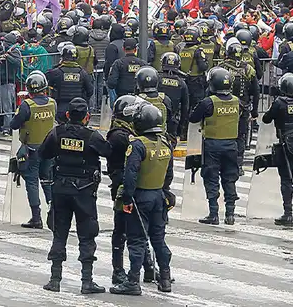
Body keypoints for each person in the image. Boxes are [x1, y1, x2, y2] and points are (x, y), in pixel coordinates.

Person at [39, 97, 110, 294]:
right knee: (87, 235)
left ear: (68, 115)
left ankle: (55, 280)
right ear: (87, 117)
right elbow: (109, 152)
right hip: (85, 191)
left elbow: (43, 153)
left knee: (59, 233)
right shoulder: (92, 136)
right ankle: (87, 281)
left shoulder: (56, 133)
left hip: (61, 189)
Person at [111, 102, 174, 296]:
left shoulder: (137, 145)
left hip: (140, 197)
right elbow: (169, 175)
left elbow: (130, 175)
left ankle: (132, 281)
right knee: (158, 239)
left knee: (137, 240)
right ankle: (164, 278)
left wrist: (127, 198)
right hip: (158, 196)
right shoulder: (166, 143)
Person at [189, 66, 241, 225]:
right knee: (230, 177)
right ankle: (230, 214)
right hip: (231, 145)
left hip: (212, 145)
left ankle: (213, 214)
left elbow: (193, 118)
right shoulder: (237, 101)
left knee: (211, 177)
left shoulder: (208, 102)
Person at [10, 70, 55, 229]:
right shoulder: (52, 103)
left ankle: (36, 218)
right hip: (49, 148)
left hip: (32, 149)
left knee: (32, 181)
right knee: (47, 180)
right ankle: (53, 211)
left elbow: (14, 125)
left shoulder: (26, 106)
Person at [217, 40, 259, 166]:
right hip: (243, 107)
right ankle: (238, 163)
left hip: (223, 105)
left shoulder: (221, 67)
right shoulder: (249, 69)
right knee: (241, 135)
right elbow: (256, 91)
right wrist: (255, 110)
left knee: (222, 134)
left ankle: (223, 162)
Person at [262, 73, 293, 226]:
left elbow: (266, 118)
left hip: (286, 144)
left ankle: (288, 213)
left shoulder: (280, 103)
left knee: (287, 178)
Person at [46, 42, 94, 122]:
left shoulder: (56, 72)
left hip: (61, 107)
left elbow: (46, 82)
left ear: (62, 57)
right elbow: (90, 91)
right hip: (78, 108)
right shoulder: (83, 73)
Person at [135, 66, 177, 142]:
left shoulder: (136, 100)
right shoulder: (165, 99)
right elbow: (171, 123)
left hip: (141, 141)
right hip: (162, 140)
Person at [177, 27, 209, 117]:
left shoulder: (181, 49)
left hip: (183, 78)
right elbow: (203, 67)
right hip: (196, 81)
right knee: (197, 104)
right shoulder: (198, 50)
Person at [157, 52, 189, 139]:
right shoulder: (182, 83)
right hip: (172, 123)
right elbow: (185, 108)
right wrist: (181, 127)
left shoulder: (157, 79)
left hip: (154, 120)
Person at [106, 38, 146, 104]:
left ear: (123, 49)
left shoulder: (118, 63)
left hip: (122, 99)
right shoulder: (142, 64)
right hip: (138, 99)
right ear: (135, 49)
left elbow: (111, 83)